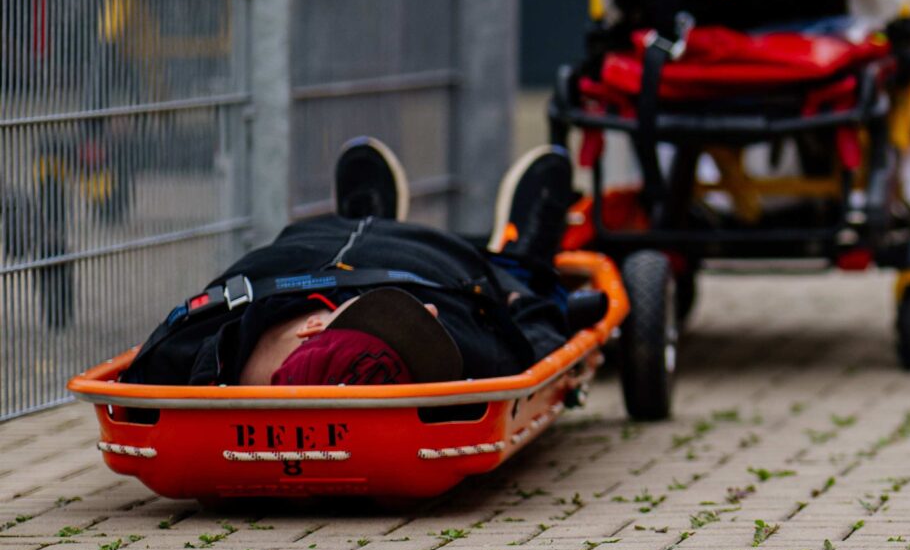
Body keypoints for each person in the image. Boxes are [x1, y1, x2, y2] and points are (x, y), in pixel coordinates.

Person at [120, 138, 589, 387]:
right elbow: (542, 340)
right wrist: (522, 295)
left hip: (313, 240)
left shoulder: (181, 351)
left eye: (388, 318)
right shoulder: (470, 353)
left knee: (355, 225)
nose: (427, 314)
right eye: (415, 346)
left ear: (313, 328)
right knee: (521, 279)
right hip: (441, 260)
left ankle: (366, 214)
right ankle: (521, 251)